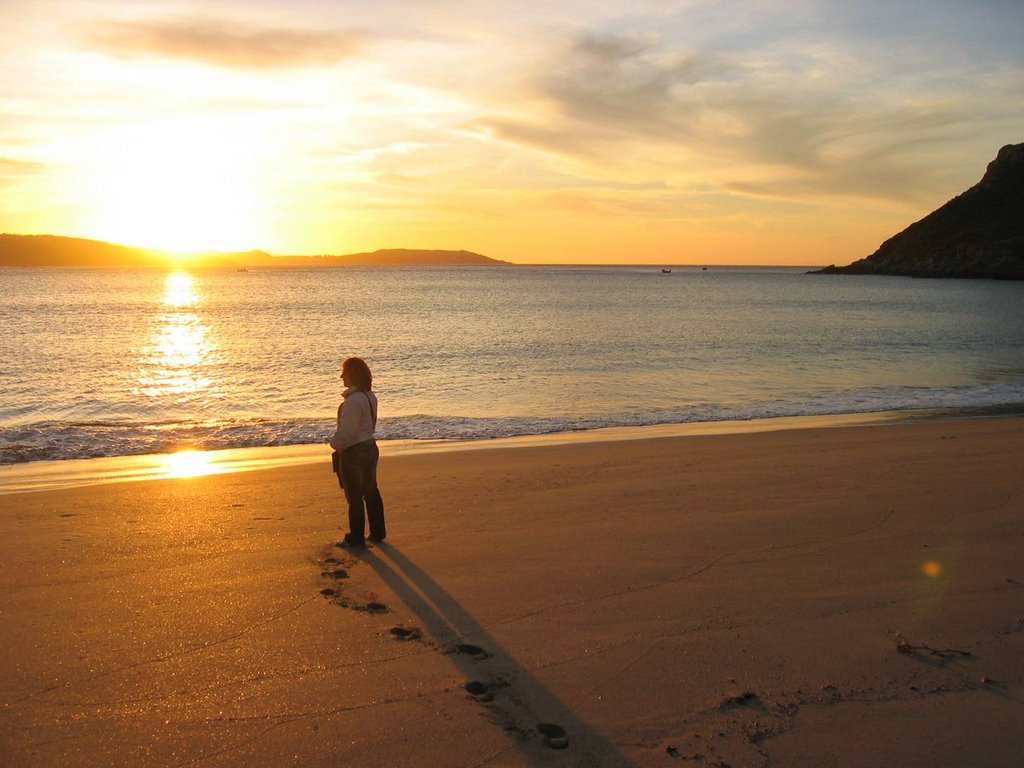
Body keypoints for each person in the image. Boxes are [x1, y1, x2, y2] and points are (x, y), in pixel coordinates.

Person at [329, 357, 385, 548]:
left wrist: (333, 444)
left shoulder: (353, 401)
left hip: (354, 452)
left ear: (352, 374)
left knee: (354, 497)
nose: (341, 376)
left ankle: (356, 537)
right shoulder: (370, 396)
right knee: (370, 491)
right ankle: (378, 532)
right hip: (370, 446)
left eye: (344, 372)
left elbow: (347, 433)